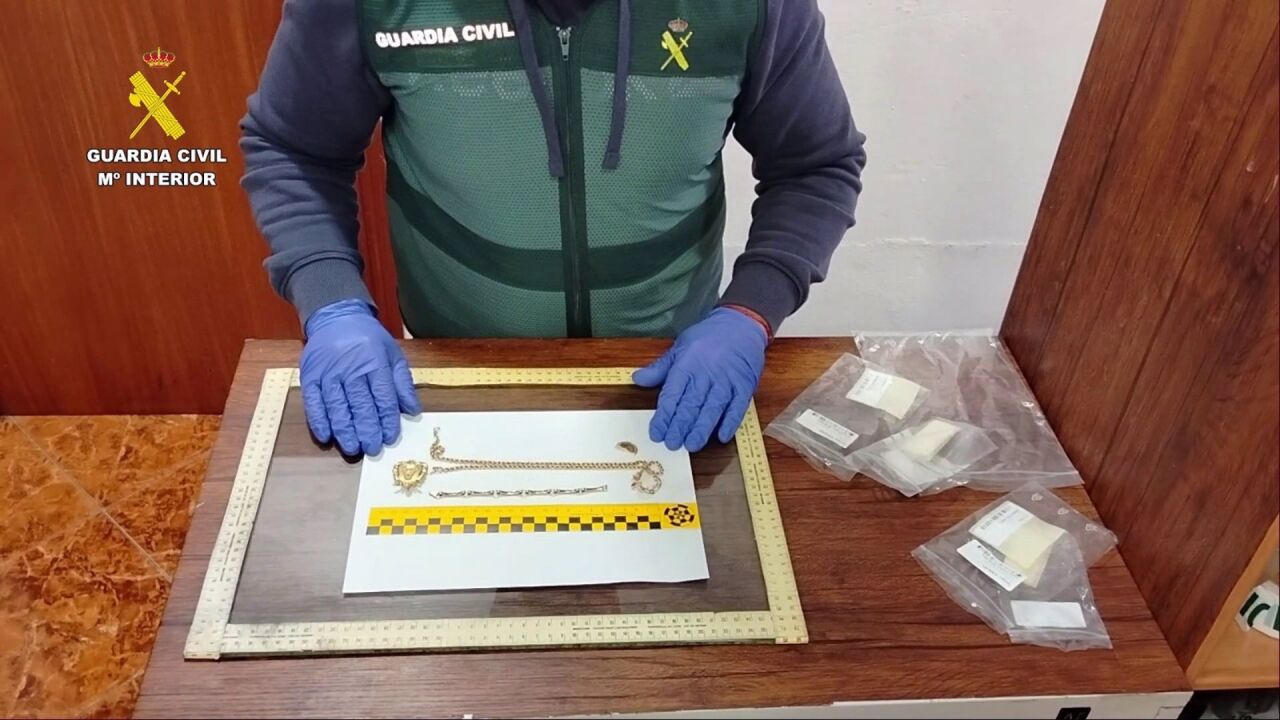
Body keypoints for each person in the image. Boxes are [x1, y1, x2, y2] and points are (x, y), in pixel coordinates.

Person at [242, 0, 865, 457]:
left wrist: (751, 312)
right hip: (454, 374)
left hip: (669, 372)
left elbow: (814, 165)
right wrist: (332, 302)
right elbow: (294, 149)